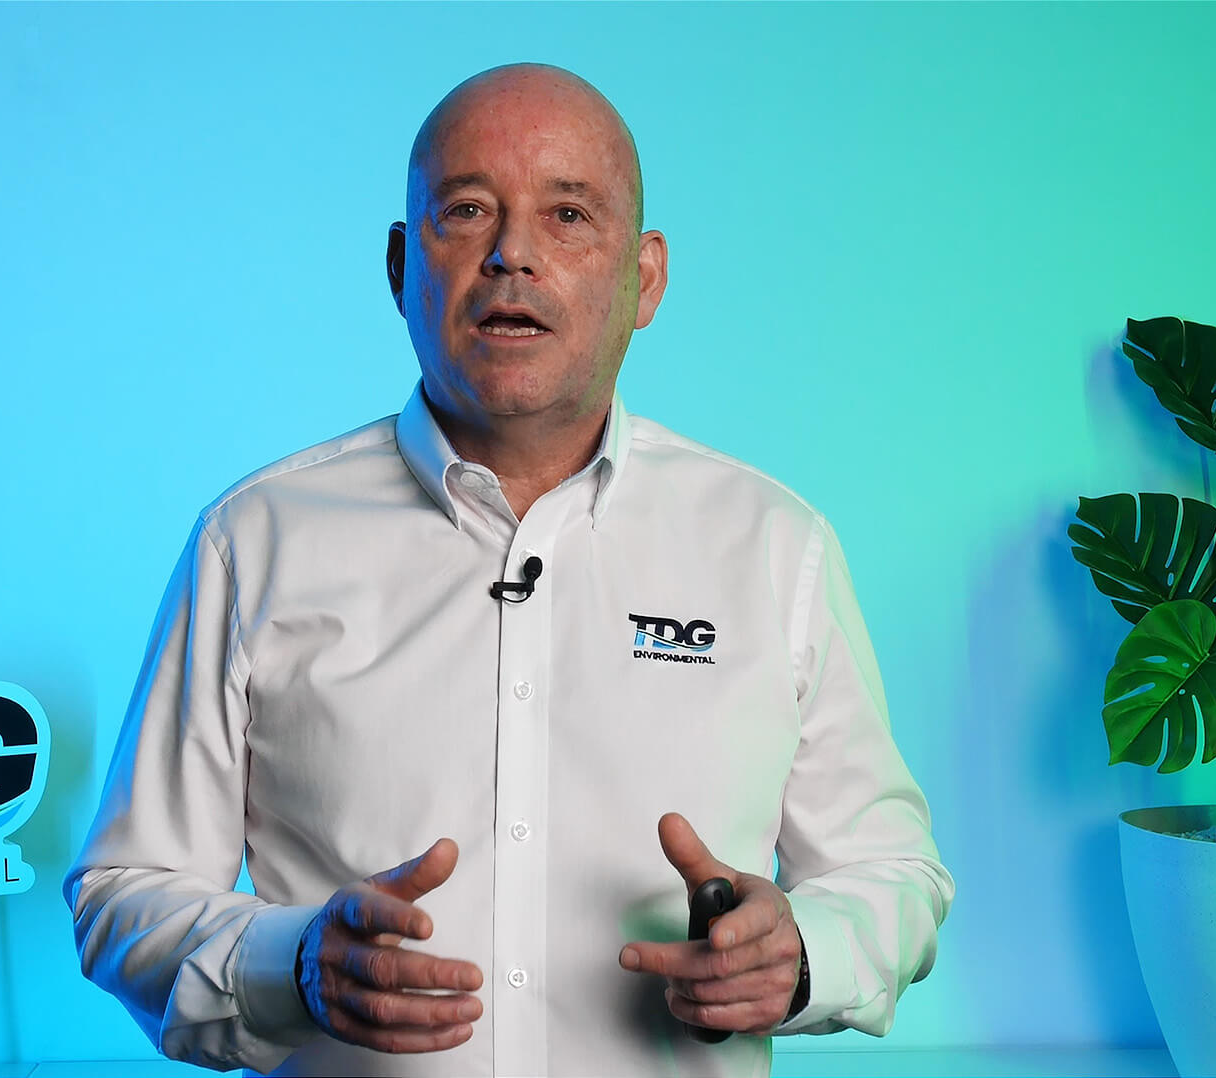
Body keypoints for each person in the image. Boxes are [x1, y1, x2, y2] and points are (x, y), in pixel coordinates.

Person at [64, 63, 953, 1078]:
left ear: (644, 278)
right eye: (464, 213)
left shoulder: (770, 542)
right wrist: (295, 963)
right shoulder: (254, 539)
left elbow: (892, 874)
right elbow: (121, 892)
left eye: (567, 214)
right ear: (401, 267)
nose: (511, 255)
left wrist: (801, 953)